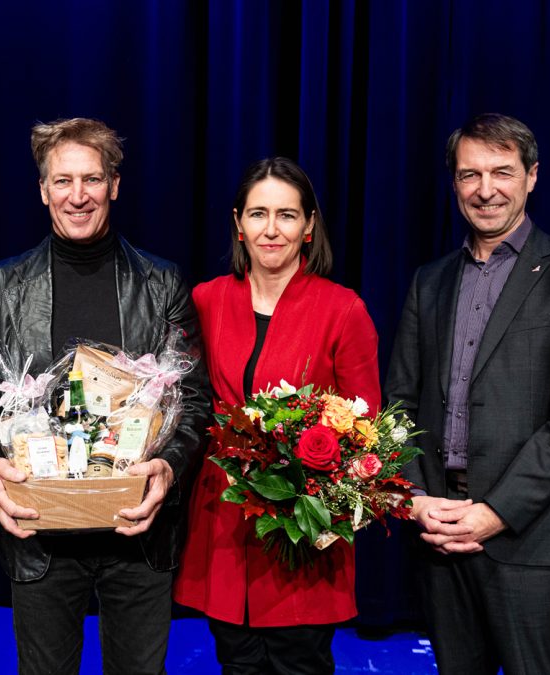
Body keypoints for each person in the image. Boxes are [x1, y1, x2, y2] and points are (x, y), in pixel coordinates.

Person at [0, 118, 211, 675]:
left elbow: (193, 401)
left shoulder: (162, 282)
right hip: (40, 530)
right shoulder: (3, 285)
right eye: (62, 181)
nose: (77, 195)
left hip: (136, 531)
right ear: (43, 190)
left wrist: (167, 466)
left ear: (114, 185)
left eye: (91, 179)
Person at [384, 113, 550, 674]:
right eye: (470, 175)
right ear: (455, 183)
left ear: (531, 176)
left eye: (502, 172)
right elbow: (399, 405)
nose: (485, 189)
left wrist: (496, 512)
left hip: (529, 541)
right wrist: (416, 499)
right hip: (439, 533)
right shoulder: (429, 281)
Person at [173, 157, 380, 673]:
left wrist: (314, 498)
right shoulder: (206, 300)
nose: (271, 229)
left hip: (301, 537)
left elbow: (366, 432)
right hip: (224, 527)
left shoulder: (343, 309)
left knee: (299, 662)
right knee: (236, 662)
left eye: (286, 215)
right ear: (238, 224)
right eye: (258, 213)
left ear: (309, 226)